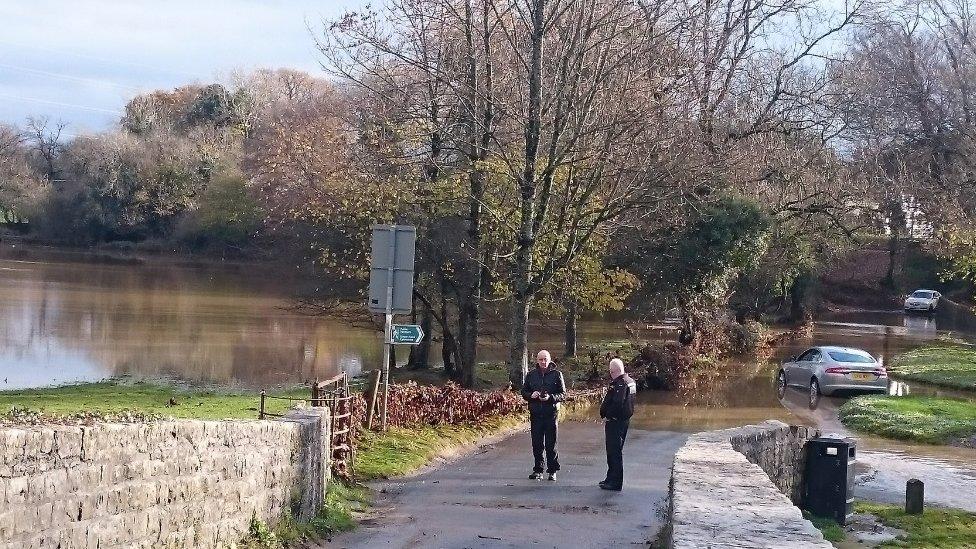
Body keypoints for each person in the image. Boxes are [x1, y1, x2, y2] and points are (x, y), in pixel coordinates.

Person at [521, 350, 566, 481]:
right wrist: (531, 395)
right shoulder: (531, 375)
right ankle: (538, 469)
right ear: (537, 360)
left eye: (545, 359)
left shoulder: (557, 375)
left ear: (550, 359)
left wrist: (550, 397)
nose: (543, 362)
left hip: (551, 413)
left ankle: (552, 470)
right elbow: (524, 391)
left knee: (551, 444)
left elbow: (563, 394)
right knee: (537, 443)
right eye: (540, 359)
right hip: (535, 414)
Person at [599, 358, 636, 491]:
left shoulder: (621, 384)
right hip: (623, 421)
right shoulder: (630, 382)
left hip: (616, 421)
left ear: (613, 371)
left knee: (614, 452)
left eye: (611, 371)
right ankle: (610, 478)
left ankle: (615, 482)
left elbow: (617, 403)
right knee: (614, 451)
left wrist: (607, 415)